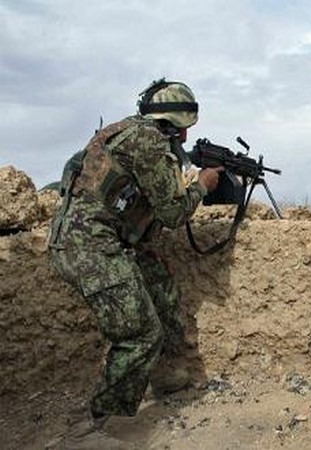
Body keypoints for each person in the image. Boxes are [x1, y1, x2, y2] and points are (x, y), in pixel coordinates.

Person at [47, 78, 221, 437]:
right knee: (140, 334)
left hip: (102, 240)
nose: (186, 139)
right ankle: (99, 425)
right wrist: (202, 185)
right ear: (167, 125)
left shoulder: (125, 131)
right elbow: (173, 214)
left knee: (160, 286)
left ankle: (166, 376)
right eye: (182, 130)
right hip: (89, 248)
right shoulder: (149, 142)